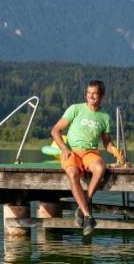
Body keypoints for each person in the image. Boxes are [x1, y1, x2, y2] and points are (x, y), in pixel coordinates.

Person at [50, 80, 125, 233]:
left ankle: (84, 203)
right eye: (88, 93)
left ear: (101, 96)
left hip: (90, 153)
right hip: (73, 151)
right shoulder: (75, 109)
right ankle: (88, 216)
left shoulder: (104, 117)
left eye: (94, 94)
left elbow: (107, 143)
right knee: (73, 173)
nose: (91, 96)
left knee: (100, 168)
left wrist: (115, 150)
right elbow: (55, 131)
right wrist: (64, 149)